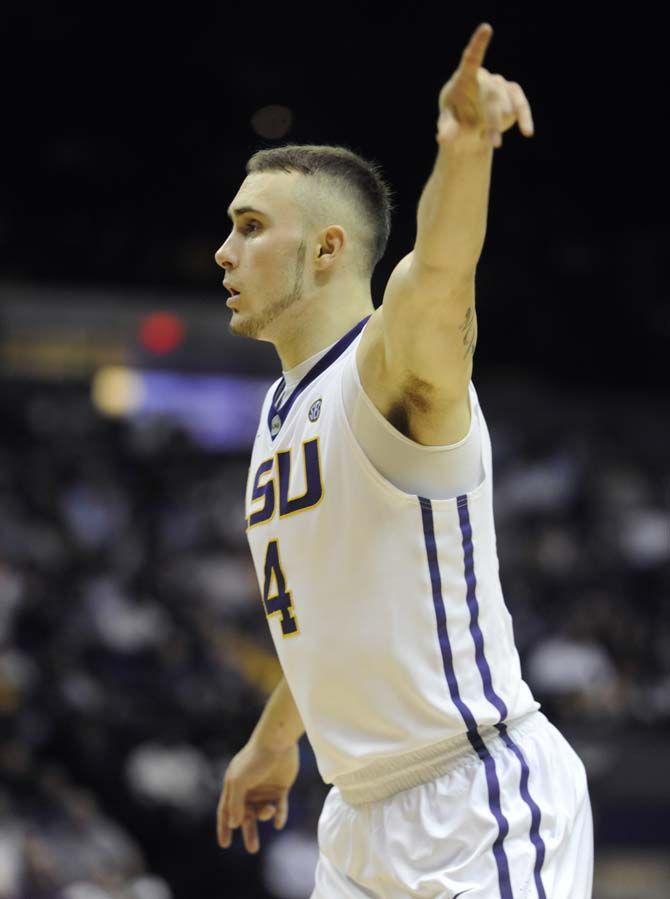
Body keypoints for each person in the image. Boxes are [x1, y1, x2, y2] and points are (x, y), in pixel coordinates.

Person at [214, 21, 594, 899]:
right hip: (355, 818)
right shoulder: (279, 414)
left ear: (327, 248)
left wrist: (465, 151)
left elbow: (442, 273)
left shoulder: (388, 367)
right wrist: (277, 737)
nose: (225, 252)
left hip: (476, 796)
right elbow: (332, 611)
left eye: (250, 226)